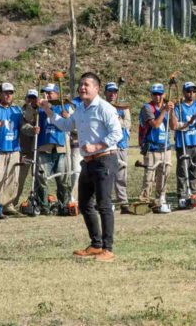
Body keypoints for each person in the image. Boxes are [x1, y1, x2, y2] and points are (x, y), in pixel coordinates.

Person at [38, 72, 122, 262]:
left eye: (86, 84)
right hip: (88, 163)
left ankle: (108, 249)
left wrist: (97, 146)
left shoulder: (105, 108)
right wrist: (48, 110)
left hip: (105, 160)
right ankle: (96, 244)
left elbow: (116, 134)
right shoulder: (81, 109)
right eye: (81, 85)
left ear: (96, 88)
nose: (82, 88)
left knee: (104, 205)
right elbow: (66, 125)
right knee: (84, 204)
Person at [33, 83, 73, 216]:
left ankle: (63, 205)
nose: (47, 95)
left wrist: (68, 117)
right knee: (42, 179)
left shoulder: (65, 106)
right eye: (45, 92)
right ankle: (43, 206)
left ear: (57, 93)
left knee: (63, 180)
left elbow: (76, 126)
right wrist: (35, 106)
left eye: (50, 93)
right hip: (45, 148)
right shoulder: (39, 107)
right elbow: (28, 117)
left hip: (61, 148)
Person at [172, 81, 196, 205]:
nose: (191, 93)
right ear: (183, 92)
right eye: (188, 91)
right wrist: (188, 124)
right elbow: (175, 125)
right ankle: (182, 196)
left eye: (193, 91)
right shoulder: (179, 107)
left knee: (194, 170)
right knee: (183, 171)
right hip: (183, 143)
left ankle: (194, 195)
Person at [137, 83, 174, 208]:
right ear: (151, 95)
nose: (157, 97)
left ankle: (160, 199)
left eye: (159, 94)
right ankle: (144, 200)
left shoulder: (166, 108)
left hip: (165, 147)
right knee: (149, 177)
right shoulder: (147, 108)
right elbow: (155, 124)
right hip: (152, 147)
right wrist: (164, 111)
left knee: (164, 176)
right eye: (155, 94)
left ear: (164, 94)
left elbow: (173, 126)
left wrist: (172, 111)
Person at [0, 83, 23, 216]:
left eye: (11, 93)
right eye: (5, 92)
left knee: (12, 178)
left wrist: (32, 130)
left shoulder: (17, 110)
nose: (8, 95)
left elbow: (22, 127)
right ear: (0, 94)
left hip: (14, 148)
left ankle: (8, 205)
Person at [104, 82, 131, 212]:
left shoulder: (123, 106)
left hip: (121, 145)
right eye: (110, 91)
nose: (112, 94)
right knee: (106, 175)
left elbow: (127, 124)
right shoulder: (100, 105)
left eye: (114, 91)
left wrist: (117, 120)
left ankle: (123, 202)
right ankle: (105, 202)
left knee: (121, 176)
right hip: (106, 145)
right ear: (105, 93)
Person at [16, 89, 39, 206]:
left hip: (38, 150)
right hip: (24, 151)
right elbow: (24, 127)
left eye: (34, 98)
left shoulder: (42, 111)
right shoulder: (21, 111)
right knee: (19, 180)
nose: (31, 100)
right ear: (26, 99)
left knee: (38, 179)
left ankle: (37, 202)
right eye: (29, 98)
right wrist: (32, 130)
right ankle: (12, 203)